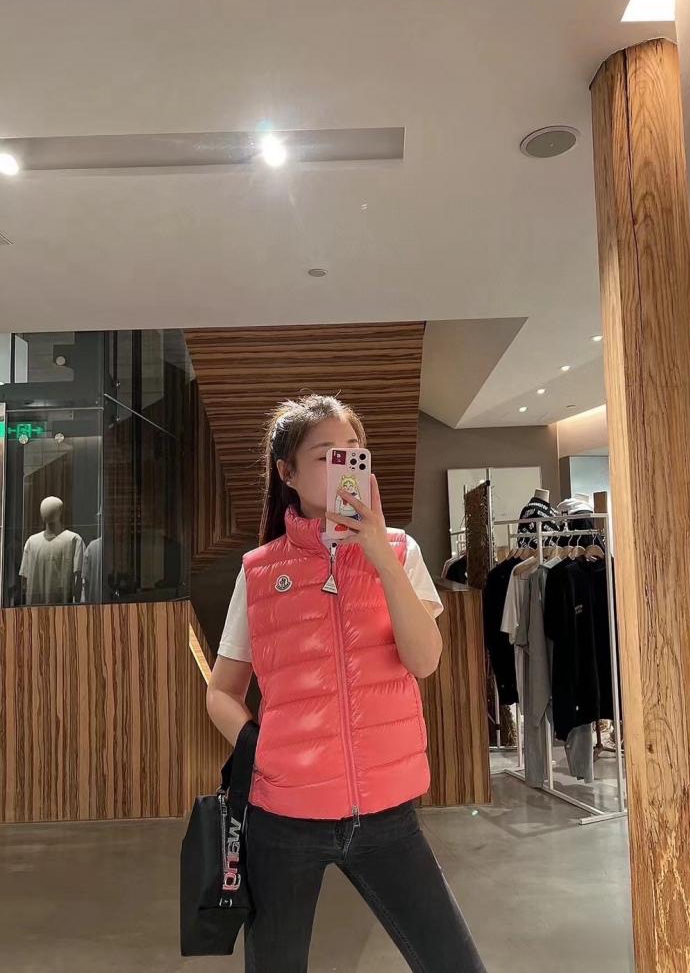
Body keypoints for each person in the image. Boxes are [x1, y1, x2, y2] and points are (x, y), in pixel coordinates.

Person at [206, 393, 487, 973]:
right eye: (326, 454)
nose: (345, 465)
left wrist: (379, 554)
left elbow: (425, 660)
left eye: (354, 451)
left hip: (388, 816)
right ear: (287, 473)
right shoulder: (259, 571)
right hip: (284, 819)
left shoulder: (401, 551)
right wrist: (261, 749)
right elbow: (221, 691)